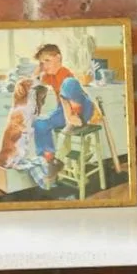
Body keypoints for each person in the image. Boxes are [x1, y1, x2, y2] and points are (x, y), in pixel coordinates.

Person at [31, 43, 94, 184]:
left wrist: (71, 114)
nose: (45, 65)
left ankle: (75, 119)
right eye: (42, 62)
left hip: (82, 108)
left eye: (47, 60)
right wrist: (40, 69)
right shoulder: (49, 76)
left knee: (69, 83)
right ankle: (51, 161)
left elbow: (69, 94)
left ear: (58, 57)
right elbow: (34, 80)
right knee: (39, 123)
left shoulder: (65, 73)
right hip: (64, 111)